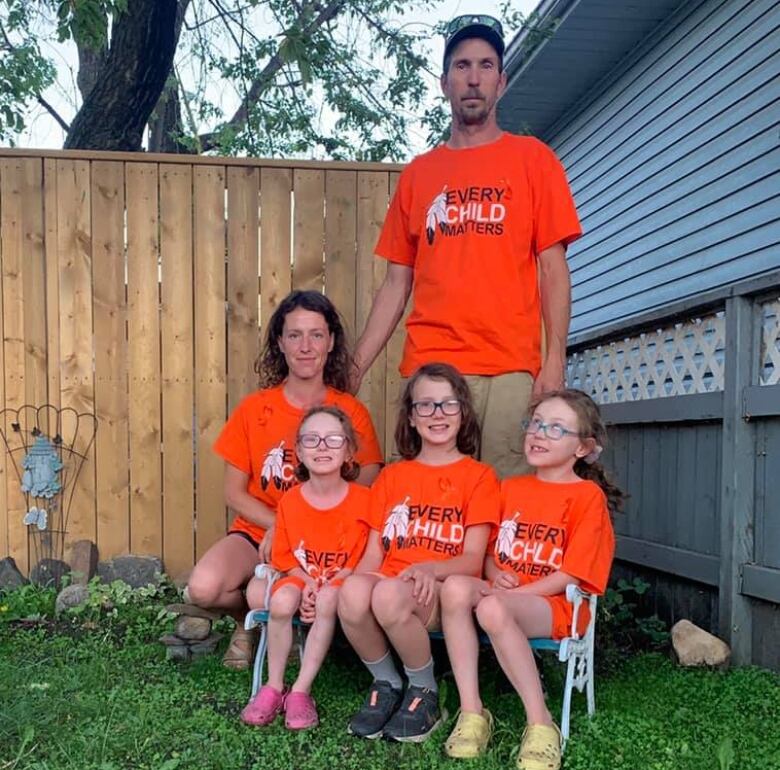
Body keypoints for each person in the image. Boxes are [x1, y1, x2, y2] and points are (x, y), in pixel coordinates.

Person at [351, 14, 582, 478]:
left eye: (485, 65)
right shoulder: (419, 174)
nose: (473, 78)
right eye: (461, 66)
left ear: (501, 80)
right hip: (433, 366)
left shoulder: (534, 160)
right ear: (444, 82)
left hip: (510, 371)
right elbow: (396, 285)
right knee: (431, 505)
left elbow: (554, 270)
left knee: (506, 504)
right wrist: (352, 370)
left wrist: (554, 362)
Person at [185, 291, 382, 670]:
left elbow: (369, 481)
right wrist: (282, 525)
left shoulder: (351, 411)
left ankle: (296, 624)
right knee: (204, 587)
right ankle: (249, 621)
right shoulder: (255, 409)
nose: (305, 347)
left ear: (331, 341)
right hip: (261, 529)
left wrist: (308, 525)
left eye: (316, 335)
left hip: (328, 538)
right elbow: (233, 492)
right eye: (294, 335)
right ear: (279, 342)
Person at [439, 389, 625, 770]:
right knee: (456, 587)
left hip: (556, 605)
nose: (539, 434)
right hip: (505, 595)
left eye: (556, 429)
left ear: (582, 447)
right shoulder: (510, 489)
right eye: (536, 424)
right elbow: (489, 553)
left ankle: (541, 724)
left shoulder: (586, 497)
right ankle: (473, 713)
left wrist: (513, 593)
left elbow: (572, 574)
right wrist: (497, 574)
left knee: (490, 607)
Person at [337, 362, 500, 743]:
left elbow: (473, 559)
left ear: (463, 412)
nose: (437, 414)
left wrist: (429, 568)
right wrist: (341, 582)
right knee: (352, 592)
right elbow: (375, 554)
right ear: (411, 417)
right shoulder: (392, 477)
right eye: (425, 405)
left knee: (387, 593)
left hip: (439, 591)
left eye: (448, 404)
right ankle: (387, 683)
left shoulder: (479, 477)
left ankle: (425, 691)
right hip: (392, 583)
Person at [240, 406, 370, 730]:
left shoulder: (364, 500)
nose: (322, 447)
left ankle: (301, 690)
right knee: (282, 602)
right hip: (300, 577)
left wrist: (325, 586)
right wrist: (307, 582)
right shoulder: (291, 501)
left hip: (341, 581)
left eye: (333, 439)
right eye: (312, 439)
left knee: (327, 601)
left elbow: (360, 558)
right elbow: (284, 558)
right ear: (298, 451)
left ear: (350, 450)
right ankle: (273, 685)